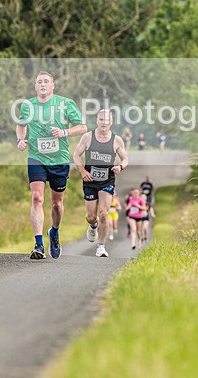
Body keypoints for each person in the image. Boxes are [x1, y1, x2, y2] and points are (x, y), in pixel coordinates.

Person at [17, 71, 87, 260]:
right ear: (35, 86)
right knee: (37, 197)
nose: (42, 84)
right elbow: (21, 125)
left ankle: (54, 232)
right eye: (39, 81)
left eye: (46, 81)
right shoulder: (28, 106)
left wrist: (64, 132)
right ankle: (39, 244)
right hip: (36, 157)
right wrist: (20, 139)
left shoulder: (65, 103)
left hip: (59, 159)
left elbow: (82, 127)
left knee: (57, 204)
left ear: (52, 85)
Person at [73, 109, 128, 258]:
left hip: (107, 180)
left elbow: (125, 158)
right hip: (90, 181)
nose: (104, 123)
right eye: (101, 119)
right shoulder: (88, 137)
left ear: (111, 122)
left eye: (107, 120)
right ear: (97, 121)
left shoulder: (116, 140)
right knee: (91, 216)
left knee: (103, 214)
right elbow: (76, 155)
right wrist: (82, 171)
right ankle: (93, 226)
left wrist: (120, 166)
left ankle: (101, 247)